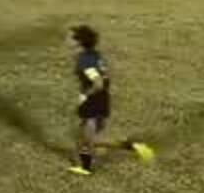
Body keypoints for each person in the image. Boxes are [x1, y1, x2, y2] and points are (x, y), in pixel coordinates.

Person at [65, 25, 156, 176]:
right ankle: (132, 146)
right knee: (86, 137)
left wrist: (85, 96)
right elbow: (104, 78)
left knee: (85, 139)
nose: (66, 40)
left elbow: (98, 82)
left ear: (78, 41)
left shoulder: (83, 60)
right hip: (103, 98)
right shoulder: (94, 54)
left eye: (69, 37)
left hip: (93, 100)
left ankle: (86, 168)